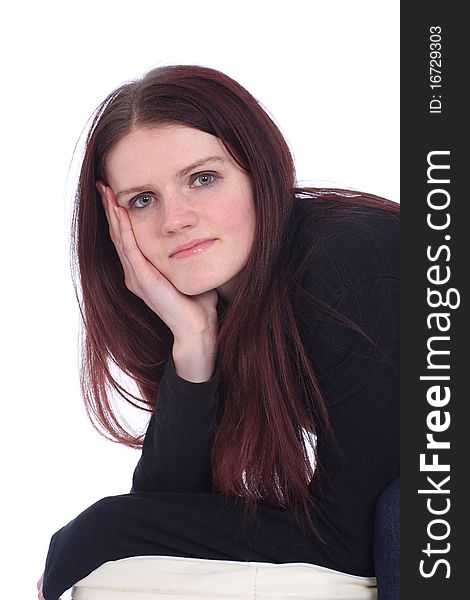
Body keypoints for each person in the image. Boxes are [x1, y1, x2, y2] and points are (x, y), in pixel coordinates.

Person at [38, 65, 399, 600]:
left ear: (260, 173)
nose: (174, 219)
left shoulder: (352, 260)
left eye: (202, 179)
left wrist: (100, 530)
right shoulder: (233, 307)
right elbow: (172, 507)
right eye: (142, 199)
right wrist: (194, 343)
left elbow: (349, 540)